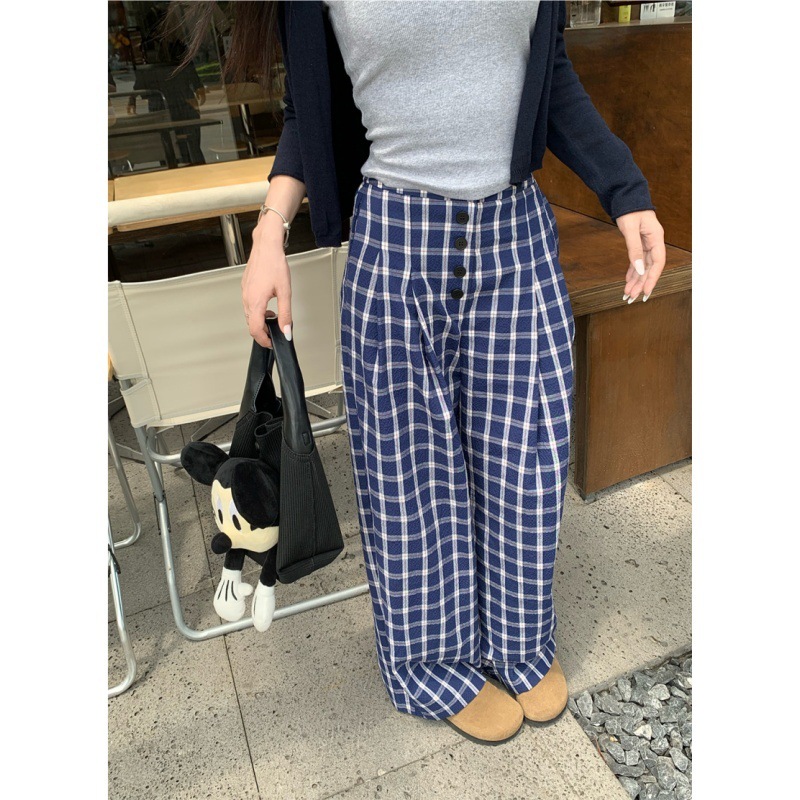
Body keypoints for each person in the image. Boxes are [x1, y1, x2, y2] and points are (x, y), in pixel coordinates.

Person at [179, 0, 666, 746]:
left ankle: (519, 641)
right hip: (397, 236)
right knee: (410, 472)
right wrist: (270, 229)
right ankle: (430, 663)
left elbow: (549, 74)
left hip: (516, 232)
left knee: (528, 458)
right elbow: (312, 105)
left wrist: (623, 188)